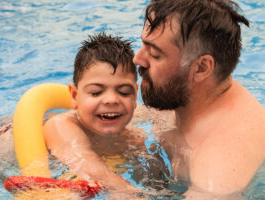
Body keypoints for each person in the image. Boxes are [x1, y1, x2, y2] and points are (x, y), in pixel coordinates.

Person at [133, 0, 265, 197]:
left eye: (154, 54)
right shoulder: (179, 94)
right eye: (144, 46)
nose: (138, 59)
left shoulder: (219, 168)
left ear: (201, 68)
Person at [42, 32, 167, 198]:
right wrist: (131, 193)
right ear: (74, 96)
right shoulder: (61, 126)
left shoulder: (134, 139)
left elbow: (154, 178)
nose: (111, 100)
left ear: (135, 95)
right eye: (96, 92)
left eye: (123, 92)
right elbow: (85, 163)